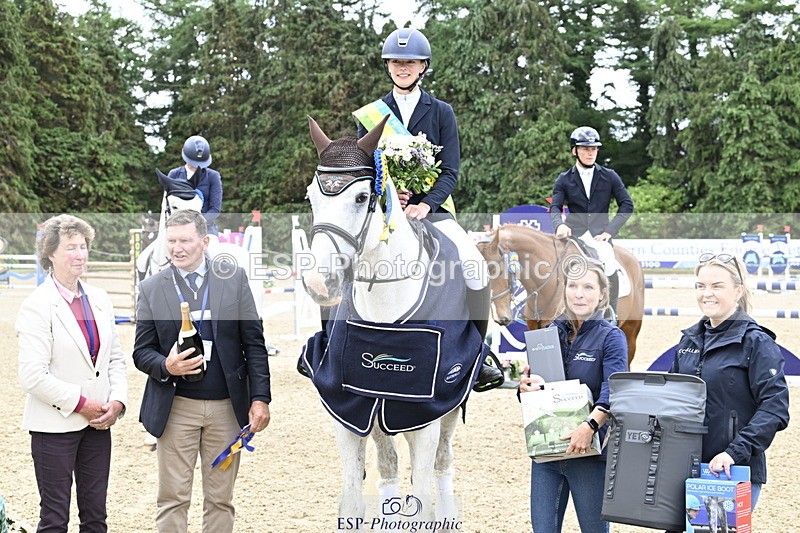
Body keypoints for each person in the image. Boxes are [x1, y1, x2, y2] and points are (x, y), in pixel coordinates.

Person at [356, 27, 503, 391]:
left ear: (423, 66)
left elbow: (451, 169)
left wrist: (424, 203)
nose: (402, 67)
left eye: (409, 62)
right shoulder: (369, 115)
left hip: (434, 209)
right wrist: (390, 196)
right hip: (384, 210)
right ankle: (334, 341)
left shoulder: (441, 112)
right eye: (395, 61)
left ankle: (476, 352)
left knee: (473, 265)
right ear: (388, 66)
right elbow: (361, 166)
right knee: (347, 258)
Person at [132, 210, 271, 533]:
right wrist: (166, 365)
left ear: (205, 242)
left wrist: (260, 398)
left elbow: (254, 343)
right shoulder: (152, 288)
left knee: (220, 499)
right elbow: (141, 352)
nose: (177, 248)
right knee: (173, 498)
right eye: (171, 241)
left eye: (185, 241)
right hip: (176, 409)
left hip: (226, 409)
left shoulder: (233, 279)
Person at [16, 214, 128, 533]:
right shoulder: (36, 306)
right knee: (54, 520)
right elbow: (32, 376)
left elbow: (115, 359)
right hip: (54, 427)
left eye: (83, 246)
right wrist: (82, 403)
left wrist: (117, 402)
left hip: (99, 424)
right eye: (70, 248)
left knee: (96, 517)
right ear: (51, 253)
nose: (80, 254)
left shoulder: (101, 299)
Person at [670, 253, 789, 511]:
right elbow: (671, 400)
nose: (706, 294)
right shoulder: (688, 341)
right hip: (684, 468)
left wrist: (734, 452)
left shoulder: (757, 342)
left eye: (716, 286)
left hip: (730, 471)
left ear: (738, 291)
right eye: (700, 286)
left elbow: (775, 408)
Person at [519, 261, 628, 533]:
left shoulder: (612, 337)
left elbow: (614, 390)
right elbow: (537, 389)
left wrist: (589, 427)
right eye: (573, 286)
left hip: (588, 454)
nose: (579, 293)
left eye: (588, 287)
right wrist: (525, 388)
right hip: (547, 454)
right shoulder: (548, 334)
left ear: (602, 294)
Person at [549, 126, 634, 318]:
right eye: (585, 148)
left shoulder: (609, 176)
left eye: (594, 149)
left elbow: (627, 204)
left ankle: (610, 312)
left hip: (599, 236)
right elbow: (555, 207)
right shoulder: (563, 179)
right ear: (575, 151)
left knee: (609, 261)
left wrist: (609, 232)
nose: (590, 153)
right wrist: (559, 225)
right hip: (574, 235)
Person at [168, 135, 223, 235]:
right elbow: (167, 205)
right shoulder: (174, 174)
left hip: (205, 228)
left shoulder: (213, 176)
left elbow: (215, 209)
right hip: (177, 227)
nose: (197, 167)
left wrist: (197, 224)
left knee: (212, 250)